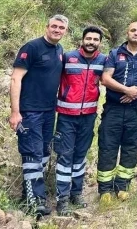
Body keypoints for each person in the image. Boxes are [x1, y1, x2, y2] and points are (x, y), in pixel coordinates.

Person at [9, 15, 68, 217]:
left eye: (61, 28)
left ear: (65, 31)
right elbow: (16, 79)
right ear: (47, 27)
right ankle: (36, 202)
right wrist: (15, 112)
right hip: (29, 112)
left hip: (48, 112)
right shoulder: (31, 47)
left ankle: (28, 195)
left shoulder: (60, 51)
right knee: (32, 154)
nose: (57, 30)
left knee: (42, 154)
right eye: (54, 26)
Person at [96, 22, 137, 204]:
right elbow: (106, 78)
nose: (136, 33)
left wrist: (136, 91)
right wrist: (126, 90)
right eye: (133, 30)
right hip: (114, 109)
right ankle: (105, 189)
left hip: (136, 110)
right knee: (108, 146)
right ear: (127, 32)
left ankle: (122, 186)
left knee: (131, 147)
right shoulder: (116, 54)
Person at [54, 25, 107, 215]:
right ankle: (62, 199)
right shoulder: (68, 58)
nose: (91, 42)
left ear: (99, 43)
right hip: (66, 117)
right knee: (65, 157)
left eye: (95, 40)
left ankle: (76, 193)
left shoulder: (103, 60)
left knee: (80, 157)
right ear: (82, 40)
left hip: (88, 117)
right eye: (89, 39)